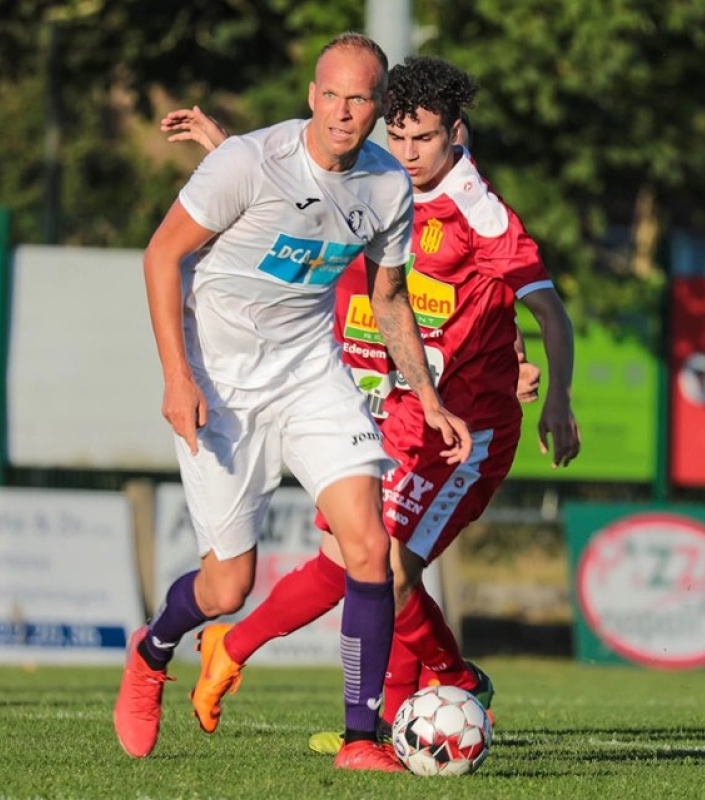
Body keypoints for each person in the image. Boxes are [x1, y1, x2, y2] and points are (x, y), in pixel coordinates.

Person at [164, 55, 581, 753]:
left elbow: (551, 311)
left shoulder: (478, 213)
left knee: (382, 566)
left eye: (425, 139)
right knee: (353, 559)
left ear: (457, 133)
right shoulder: (376, 180)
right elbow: (288, 190)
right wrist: (225, 151)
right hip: (390, 411)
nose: (410, 154)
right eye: (400, 137)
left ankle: (419, 697)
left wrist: (556, 399)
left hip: (464, 430)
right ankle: (268, 660)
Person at [113, 33, 473, 774]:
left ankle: (360, 741)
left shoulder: (386, 186)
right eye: (332, 95)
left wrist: (429, 398)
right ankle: (152, 652)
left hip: (311, 374)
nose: (344, 112)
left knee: (368, 547)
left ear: (379, 108)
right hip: (221, 383)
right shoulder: (248, 161)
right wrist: (176, 378)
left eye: (360, 99)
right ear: (312, 96)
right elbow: (160, 255)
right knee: (227, 586)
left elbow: (390, 296)